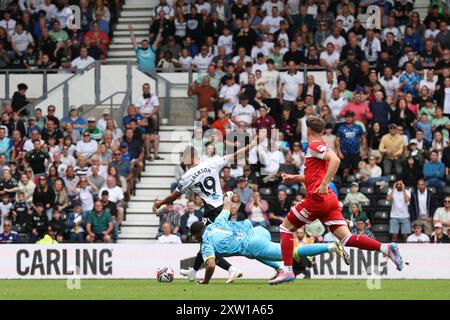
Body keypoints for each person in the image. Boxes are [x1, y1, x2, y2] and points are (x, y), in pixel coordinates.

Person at [271, 116, 403, 285]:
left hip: (317, 199)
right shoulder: (320, 146)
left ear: (308, 130)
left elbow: (336, 160)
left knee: (285, 228)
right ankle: (386, 248)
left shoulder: (314, 145)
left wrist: (325, 183)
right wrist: (296, 178)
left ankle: (288, 271)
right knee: (346, 238)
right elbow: (314, 176)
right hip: (329, 201)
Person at [154, 131, 266, 284]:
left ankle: (232, 269)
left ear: (186, 160)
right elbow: (235, 155)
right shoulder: (211, 162)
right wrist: (252, 144)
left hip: (211, 210)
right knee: (205, 243)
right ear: (197, 157)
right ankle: (193, 272)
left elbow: (174, 196)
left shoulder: (188, 176)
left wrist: (159, 204)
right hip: (221, 207)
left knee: (207, 244)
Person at [189, 196, 348, 284]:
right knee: (254, 255)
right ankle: (279, 270)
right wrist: (229, 196)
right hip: (257, 230)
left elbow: (210, 265)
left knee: (291, 253)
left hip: (252, 244)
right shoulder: (216, 223)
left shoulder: (206, 242)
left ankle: (332, 247)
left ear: (196, 236)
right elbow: (227, 207)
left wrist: (206, 281)